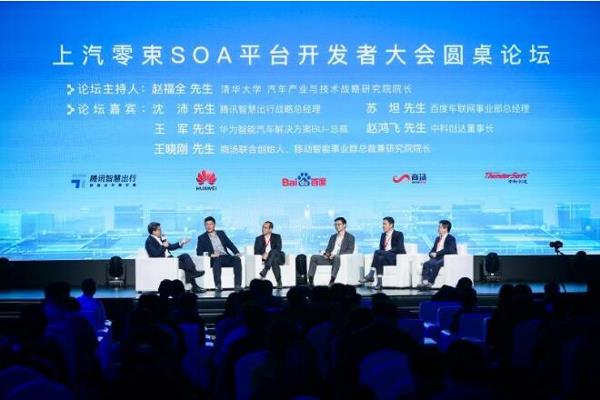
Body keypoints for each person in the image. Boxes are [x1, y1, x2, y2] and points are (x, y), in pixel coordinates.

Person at [145, 222, 206, 293]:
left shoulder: (161, 238)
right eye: (159, 229)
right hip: (163, 261)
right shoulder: (149, 241)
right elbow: (155, 254)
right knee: (183, 264)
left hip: (171, 259)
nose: (161, 231)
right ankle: (194, 286)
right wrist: (163, 246)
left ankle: (194, 272)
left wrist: (181, 243)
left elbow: (170, 247)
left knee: (185, 256)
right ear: (153, 231)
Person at [196, 216, 243, 292]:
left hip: (226, 257)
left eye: (210, 224)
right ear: (204, 226)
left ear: (214, 225)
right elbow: (199, 252)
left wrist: (237, 252)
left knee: (237, 259)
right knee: (217, 260)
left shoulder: (221, 233)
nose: (208, 226)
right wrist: (211, 255)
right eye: (206, 224)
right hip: (215, 259)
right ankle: (218, 285)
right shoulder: (202, 238)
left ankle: (238, 285)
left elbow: (230, 244)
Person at [359, 216, 406, 290]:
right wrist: (384, 253)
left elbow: (399, 248)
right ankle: (379, 283)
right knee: (379, 259)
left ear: (391, 225)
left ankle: (371, 274)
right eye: (382, 224)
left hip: (395, 257)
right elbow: (381, 249)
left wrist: (386, 252)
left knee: (377, 252)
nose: (383, 226)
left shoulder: (399, 234)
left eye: (385, 224)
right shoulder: (383, 235)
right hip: (385, 258)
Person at [307, 217, 355, 287]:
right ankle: (310, 281)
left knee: (337, 257)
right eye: (335, 225)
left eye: (339, 224)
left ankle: (332, 280)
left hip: (340, 259)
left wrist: (336, 255)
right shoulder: (333, 237)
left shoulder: (350, 237)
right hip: (329, 258)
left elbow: (350, 251)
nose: (337, 226)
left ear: (344, 225)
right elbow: (328, 249)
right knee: (314, 257)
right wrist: (326, 254)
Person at [418, 220, 457, 290]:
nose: (438, 229)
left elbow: (448, 249)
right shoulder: (437, 238)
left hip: (446, 258)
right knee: (426, 264)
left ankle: (430, 282)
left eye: (440, 227)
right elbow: (433, 249)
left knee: (436, 264)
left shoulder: (451, 238)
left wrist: (436, 253)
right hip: (437, 257)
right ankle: (425, 282)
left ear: (445, 229)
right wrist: (431, 253)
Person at [254, 221, 285, 289]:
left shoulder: (277, 237)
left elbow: (278, 248)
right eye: (263, 227)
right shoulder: (258, 239)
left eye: (265, 228)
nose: (263, 229)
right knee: (274, 261)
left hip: (279, 257)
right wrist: (262, 255)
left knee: (273, 251)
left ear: (270, 229)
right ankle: (279, 282)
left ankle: (265, 270)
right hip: (268, 259)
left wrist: (268, 254)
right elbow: (256, 252)